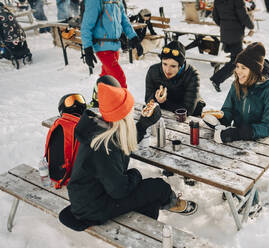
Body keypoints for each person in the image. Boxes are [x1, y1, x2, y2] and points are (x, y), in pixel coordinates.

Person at [62, 76, 197, 231]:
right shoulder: (104, 147)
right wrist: (135, 175)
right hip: (93, 208)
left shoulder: (101, 128)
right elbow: (119, 190)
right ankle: (173, 204)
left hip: (92, 196)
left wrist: (143, 125)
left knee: (150, 200)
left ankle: (142, 229)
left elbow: (121, 143)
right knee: (159, 188)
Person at [203, 42, 269, 143]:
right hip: (239, 140)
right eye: (237, 66)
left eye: (243, 68)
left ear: (254, 71)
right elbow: (228, 109)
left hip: (264, 143)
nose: (238, 71)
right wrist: (220, 119)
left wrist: (238, 133)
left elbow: (268, 127)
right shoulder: (236, 84)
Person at [81, 0, 143, 88]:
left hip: (115, 46)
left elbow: (124, 21)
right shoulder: (95, 1)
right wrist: (87, 49)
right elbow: (86, 27)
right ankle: (124, 100)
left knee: (106, 78)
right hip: (102, 47)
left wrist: (134, 38)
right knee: (119, 79)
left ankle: (98, 98)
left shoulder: (117, 1)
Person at [145, 40, 205, 117]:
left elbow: (187, 111)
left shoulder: (192, 74)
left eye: (173, 66)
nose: (167, 70)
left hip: (191, 115)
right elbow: (148, 100)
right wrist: (156, 99)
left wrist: (163, 102)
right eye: (165, 64)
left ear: (180, 66)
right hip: (165, 113)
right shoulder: (153, 71)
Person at [210, 0, 254, 92]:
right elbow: (243, 16)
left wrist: (224, 25)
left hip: (226, 33)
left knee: (235, 59)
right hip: (236, 34)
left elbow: (215, 17)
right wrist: (251, 26)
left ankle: (240, 81)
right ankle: (217, 79)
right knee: (237, 60)